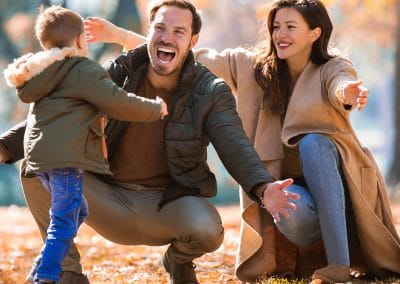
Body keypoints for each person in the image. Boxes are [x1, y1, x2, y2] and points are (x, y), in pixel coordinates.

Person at [85, 0, 400, 283]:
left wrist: (347, 93)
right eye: (276, 26)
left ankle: (339, 266)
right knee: (285, 198)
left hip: (343, 201)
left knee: (314, 143)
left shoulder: (333, 67)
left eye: (291, 26)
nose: (280, 34)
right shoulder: (250, 67)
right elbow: (181, 55)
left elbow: (340, 83)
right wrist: (118, 35)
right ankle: (307, 258)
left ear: (314, 34)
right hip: (294, 198)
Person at [0, 1, 299, 283]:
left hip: (166, 206)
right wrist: (4, 147)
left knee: (207, 229)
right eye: (160, 28)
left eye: (178, 31)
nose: (167, 37)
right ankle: (67, 272)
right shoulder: (120, 72)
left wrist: (262, 186)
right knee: (36, 165)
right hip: (108, 197)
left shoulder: (210, 90)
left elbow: (233, 143)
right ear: (149, 32)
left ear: (193, 41)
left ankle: (179, 260)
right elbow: (61, 116)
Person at [3, 5, 169, 283]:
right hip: (64, 161)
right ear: (81, 40)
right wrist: (154, 109)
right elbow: (117, 101)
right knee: (65, 222)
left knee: (78, 211)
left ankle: (44, 263)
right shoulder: (81, 70)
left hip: (40, 159)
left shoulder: (45, 75)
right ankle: (44, 277)